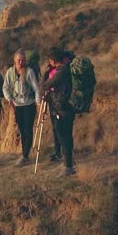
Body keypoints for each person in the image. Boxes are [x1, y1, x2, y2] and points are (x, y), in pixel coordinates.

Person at [40, 47, 76, 176]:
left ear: (53, 61)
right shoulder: (67, 68)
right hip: (69, 106)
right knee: (67, 135)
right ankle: (69, 162)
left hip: (63, 108)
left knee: (63, 135)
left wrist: (45, 74)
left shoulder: (61, 72)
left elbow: (44, 85)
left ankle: (68, 167)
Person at [2, 49, 41, 167]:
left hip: (29, 104)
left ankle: (24, 155)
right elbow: (5, 87)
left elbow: (36, 88)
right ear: (14, 60)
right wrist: (9, 99)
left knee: (28, 129)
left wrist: (38, 103)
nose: (20, 62)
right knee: (22, 130)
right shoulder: (10, 72)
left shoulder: (29, 72)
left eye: (23, 60)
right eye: (18, 60)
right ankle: (25, 154)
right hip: (17, 106)